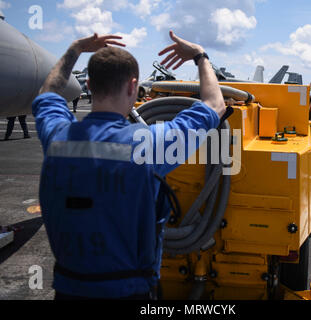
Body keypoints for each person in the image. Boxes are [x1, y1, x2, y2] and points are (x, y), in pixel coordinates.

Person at [32, 31, 225, 300]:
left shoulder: (57, 138)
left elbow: (47, 95)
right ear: (133, 86)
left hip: (68, 289)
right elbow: (215, 106)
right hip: (129, 291)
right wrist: (199, 55)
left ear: (88, 84)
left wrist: (74, 49)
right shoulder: (147, 145)